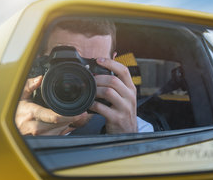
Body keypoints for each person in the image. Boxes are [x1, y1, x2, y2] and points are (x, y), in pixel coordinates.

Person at [15, 18, 153, 136]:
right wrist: (13, 132)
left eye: (94, 65)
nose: (79, 80)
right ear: (38, 60)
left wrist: (126, 135)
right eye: (67, 64)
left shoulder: (137, 129)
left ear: (113, 64)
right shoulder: (11, 119)